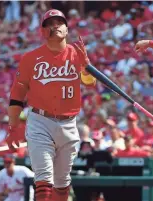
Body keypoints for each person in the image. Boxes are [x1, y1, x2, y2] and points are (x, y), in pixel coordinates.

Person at [6, 9, 96, 201]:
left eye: (59, 22)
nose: (55, 26)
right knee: (44, 179)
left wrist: (85, 67)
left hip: (69, 122)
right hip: (40, 121)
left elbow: (89, 82)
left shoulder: (76, 53)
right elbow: (17, 94)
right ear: (43, 31)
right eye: (49, 24)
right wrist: (13, 126)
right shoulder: (30, 58)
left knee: (62, 182)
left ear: (66, 28)